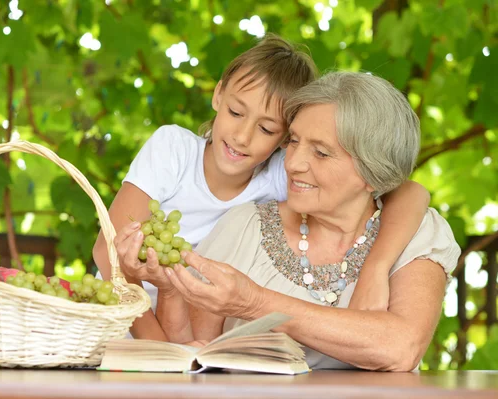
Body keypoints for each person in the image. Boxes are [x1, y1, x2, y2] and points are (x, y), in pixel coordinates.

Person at [97, 36, 431, 340]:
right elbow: (106, 251)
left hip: (182, 328)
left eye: (266, 128)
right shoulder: (173, 149)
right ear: (218, 94)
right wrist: (157, 344)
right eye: (235, 112)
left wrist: (377, 265)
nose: (242, 136)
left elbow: (408, 192)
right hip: (122, 313)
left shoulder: (282, 175)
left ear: (285, 138)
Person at [136, 71, 461, 371]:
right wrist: (169, 288)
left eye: (320, 153)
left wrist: (255, 302)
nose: (293, 164)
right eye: (293, 141)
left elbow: (400, 348)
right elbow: (191, 354)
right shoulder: (243, 227)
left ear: (372, 173)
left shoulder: (415, 235)